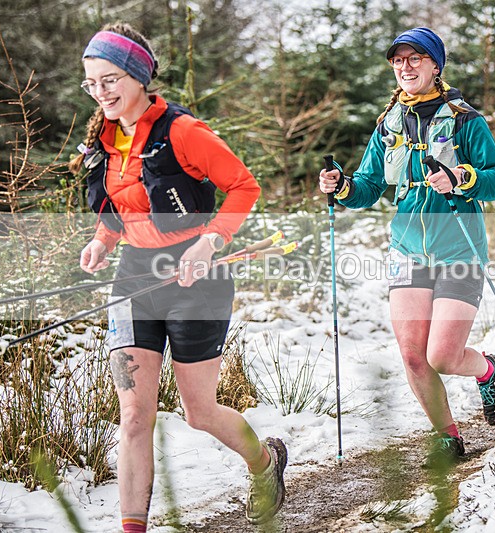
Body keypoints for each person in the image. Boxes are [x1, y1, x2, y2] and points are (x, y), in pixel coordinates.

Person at [69, 23, 285, 530]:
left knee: (199, 411)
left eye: (110, 80)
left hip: (197, 276)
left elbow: (243, 186)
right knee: (133, 416)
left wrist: (212, 241)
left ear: (140, 77)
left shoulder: (183, 132)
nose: (101, 93)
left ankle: (265, 462)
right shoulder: (106, 138)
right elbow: (119, 203)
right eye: (92, 83)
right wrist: (103, 240)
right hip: (134, 277)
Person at [318, 27, 495, 465]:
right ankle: (448, 437)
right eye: (398, 60)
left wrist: (463, 178)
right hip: (407, 249)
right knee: (412, 354)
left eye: (415, 59)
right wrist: (342, 186)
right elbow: (368, 185)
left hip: (459, 248)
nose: (405, 67)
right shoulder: (389, 124)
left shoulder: (465, 119)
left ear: (435, 65)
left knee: (441, 355)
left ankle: (487, 369)